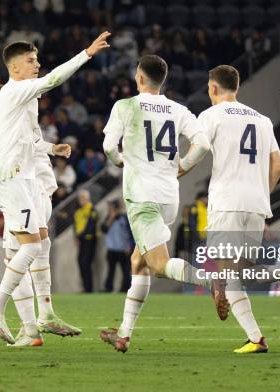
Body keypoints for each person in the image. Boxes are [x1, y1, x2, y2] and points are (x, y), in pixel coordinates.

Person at [0, 31, 111, 347]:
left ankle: (36, 324)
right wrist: (87, 53)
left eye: (37, 59)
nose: (37, 64)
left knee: (38, 243)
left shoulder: (25, 100)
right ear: (15, 69)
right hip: (9, 179)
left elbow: (29, 139)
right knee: (29, 248)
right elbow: (53, 80)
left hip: (23, 179)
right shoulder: (15, 91)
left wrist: (52, 149)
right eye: (30, 60)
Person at [99, 54, 224, 354]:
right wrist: (183, 166)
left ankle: (211, 281)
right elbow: (203, 144)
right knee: (138, 261)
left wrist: (120, 162)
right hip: (169, 196)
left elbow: (108, 146)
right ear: (162, 79)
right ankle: (124, 334)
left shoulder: (125, 106)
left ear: (139, 78)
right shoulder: (178, 109)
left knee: (157, 263)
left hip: (142, 196)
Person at [0, 84, 81, 345]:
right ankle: (39, 321)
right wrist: (51, 149)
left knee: (19, 253)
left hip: (27, 186)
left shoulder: (14, 120)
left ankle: (10, 315)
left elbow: (29, 144)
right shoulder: (22, 119)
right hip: (38, 187)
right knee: (36, 247)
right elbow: (33, 142)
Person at [197, 65, 280, 354]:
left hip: (227, 203)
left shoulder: (211, 115)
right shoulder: (263, 120)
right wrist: (261, 193)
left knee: (224, 275)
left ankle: (256, 338)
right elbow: (279, 165)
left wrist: (177, 169)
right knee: (238, 275)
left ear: (212, 88)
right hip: (256, 205)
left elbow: (196, 152)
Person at [101, 199, 132, 292]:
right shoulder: (108, 218)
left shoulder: (124, 218)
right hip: (111, 249)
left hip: (123, 249)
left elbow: (130, 232)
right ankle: (108, 288)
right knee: (111, 270)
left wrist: (129, 246)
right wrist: (111, 217)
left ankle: (126, 288)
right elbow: (104, 229)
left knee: (125, 271)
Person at [73, 189, 98, 293]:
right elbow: (74, 226)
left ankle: (89, 288)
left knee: (86, 263)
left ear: (88, 199)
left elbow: (91, 226)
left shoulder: (92, 210)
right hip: (81, 240)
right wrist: (76, 237)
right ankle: (85, 287)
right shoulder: (77, 212)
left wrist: (80, 236)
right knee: (80, 262)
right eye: (80, 198)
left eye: (84, 198)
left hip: (89, 240)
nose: (82, 200)